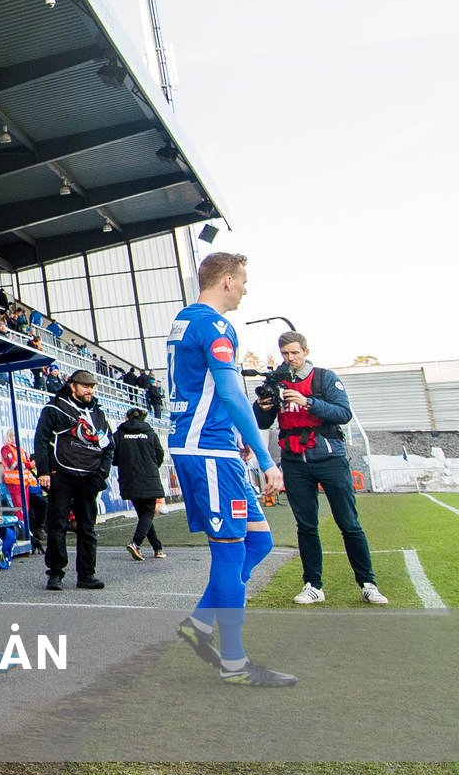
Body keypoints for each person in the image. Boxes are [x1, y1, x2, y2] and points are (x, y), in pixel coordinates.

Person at [166, 252, 294, 685]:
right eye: (242, 281)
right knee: (231, 549)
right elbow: (230, 391)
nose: (245, 289)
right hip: (208, 451)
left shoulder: (185, 319)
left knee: (259, 543)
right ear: (224, 280)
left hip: (209, 445)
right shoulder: (216, 325)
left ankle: (200, 621)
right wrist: (265, 457)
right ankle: (235, 664)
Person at [252, 331, 386, 605]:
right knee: (306, 526)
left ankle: (368, 583)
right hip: (294, 461)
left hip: (330, 459)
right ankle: (313, 584)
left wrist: (308, 402)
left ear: (306, 351)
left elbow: (343, 413)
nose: (291, 359)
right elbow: (263, 423)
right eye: (286, 354)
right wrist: (264, 406)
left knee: (349, 523)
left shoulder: (325, 378)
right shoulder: (277, 382)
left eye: (295, 353)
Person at [33, 369, 113, 591]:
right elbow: (40, 441)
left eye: (92, 386)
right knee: (57, 525)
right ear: (72, 386)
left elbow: (109, 447)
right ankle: (56, 574)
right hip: (62, 476)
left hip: (89, 478)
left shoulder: (98, 413)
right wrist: (44, 472)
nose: (90, 390)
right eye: (85, 386)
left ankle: (86, 575)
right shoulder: (54, 408)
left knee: (87, 528)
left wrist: (101, 473)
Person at [112, 407, 166, 561]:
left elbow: (113, 456)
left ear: (127, 418)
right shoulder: (150, 433)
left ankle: (158, 548)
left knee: (144, 514)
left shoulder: (119, 434)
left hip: (129, 478)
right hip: (149, 477)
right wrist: (151, 466)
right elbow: (159, 455)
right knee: (148, 513)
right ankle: (136, 543)